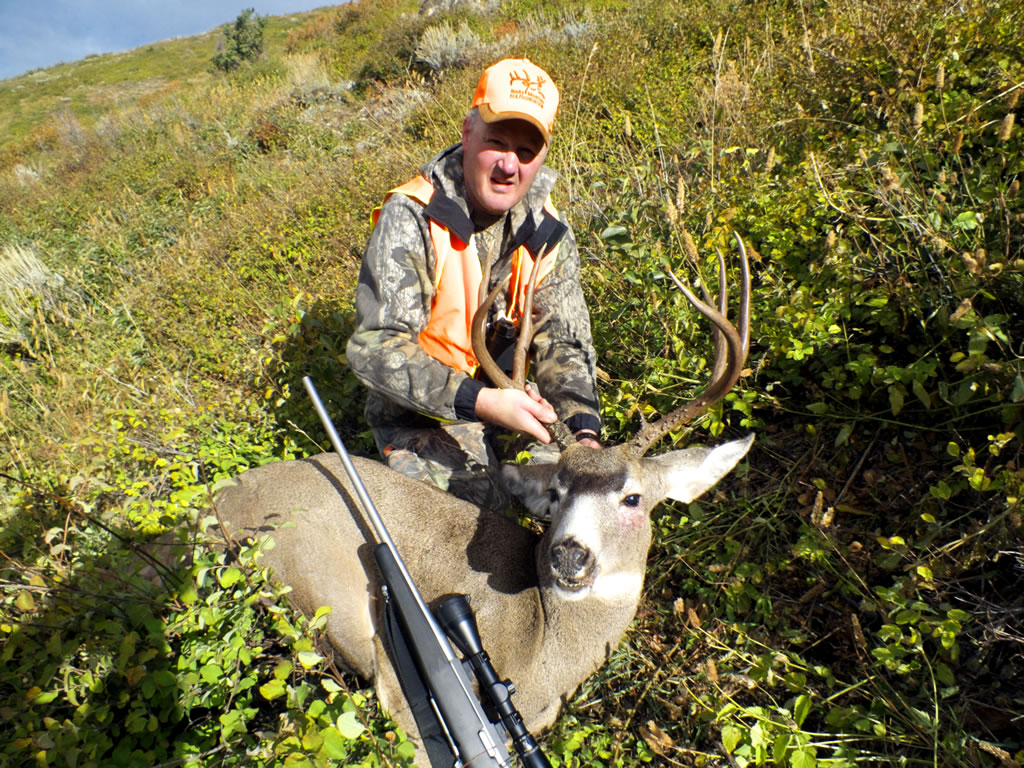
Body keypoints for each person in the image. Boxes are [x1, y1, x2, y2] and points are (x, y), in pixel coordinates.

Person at [346, 58, 601, 511]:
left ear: (541, 157)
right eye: (496, 143)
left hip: (516, 409)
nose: (508, 165)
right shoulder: (413, 216)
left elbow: (563, 345)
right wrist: (482, 402)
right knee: (466, 521)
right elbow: (376, 347)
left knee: (576, 497)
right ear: (467, 134)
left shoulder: (548, 232)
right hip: (423, 418)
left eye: (526, 151)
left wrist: (582, 433)